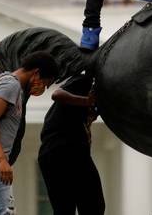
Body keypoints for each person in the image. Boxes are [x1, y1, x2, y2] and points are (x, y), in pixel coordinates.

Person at [0, 48, 59, 215]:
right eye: (44, 83)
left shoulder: (0, 80)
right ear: (36, 73)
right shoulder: (12, 85)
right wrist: (2, 160)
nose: (42, 88)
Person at [38, 73, 105, 214]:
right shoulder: (86, 80)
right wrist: (87, 101)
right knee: (91, 205)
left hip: (57, 152)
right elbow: (57, 94)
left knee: (74, 206)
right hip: (64, 149)